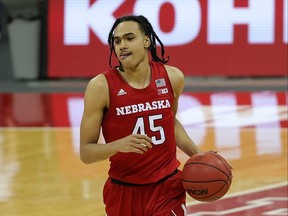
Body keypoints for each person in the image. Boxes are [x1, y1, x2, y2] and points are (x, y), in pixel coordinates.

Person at [80, 14, 203, 216]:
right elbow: (86, 153)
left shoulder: (172, 77)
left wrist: (199, 156)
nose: (121, 46)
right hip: (123, 191)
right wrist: (118, 145)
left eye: (129, 38)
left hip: (167, 188)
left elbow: (170, 122)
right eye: (117, 41)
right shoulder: (100, 87)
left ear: (147, 41)